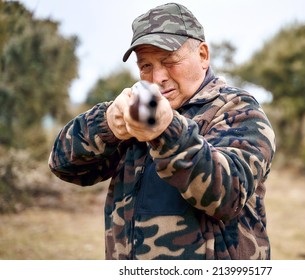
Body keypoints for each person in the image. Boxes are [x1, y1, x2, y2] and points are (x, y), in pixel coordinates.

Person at [49, 2, 276, 260]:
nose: (157, 77)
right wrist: (108, 124)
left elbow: (228, 194)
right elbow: (62, 165)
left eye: (169, 61)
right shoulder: (136, 110)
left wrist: (167, 131)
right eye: (145, 66)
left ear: (202, 55)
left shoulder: (239, 110)